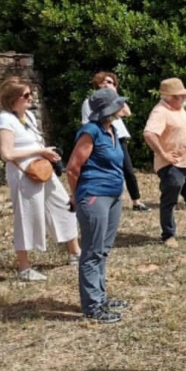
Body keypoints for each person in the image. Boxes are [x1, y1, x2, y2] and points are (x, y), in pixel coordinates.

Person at [0, 77, 81, 281]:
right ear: (12, 99)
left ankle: (75, 251)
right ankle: (24, 268)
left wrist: (46, 154)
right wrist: (40, 150)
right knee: (27, 217)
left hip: (42, 169)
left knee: (63, 204)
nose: (31, 97)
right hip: (24, 174)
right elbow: (7, 154)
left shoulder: (29, 117)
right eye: (26, 95)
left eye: (31, 93)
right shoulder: (4, 120)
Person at [67, 88, 128, 324]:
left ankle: (101, 297)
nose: (122, 107)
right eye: (117, 104)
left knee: (103, 248)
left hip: (113, 196)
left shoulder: (111, 130)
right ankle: (92, 305)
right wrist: (76, 196)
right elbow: (73, 168)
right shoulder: (90, 132)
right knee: (92, 251)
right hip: (94, 196)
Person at [143, 78, 186, 248]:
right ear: (170, 97)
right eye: (180, 96)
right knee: (169, 201)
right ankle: (168, 235)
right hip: (172, 166)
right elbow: (149, 134)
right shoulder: (160, 112)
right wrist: (163, 154)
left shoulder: (179, 110)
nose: (184, 99)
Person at [81, 71, 151, 212]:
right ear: (98, 83)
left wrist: (116, 95)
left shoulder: (117, 100)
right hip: (101, 137)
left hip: (119, 136)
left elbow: (127, 113)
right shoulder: (89, 102)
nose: (107, 84)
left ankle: (136, 201)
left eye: (111, 82)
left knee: (128, 169)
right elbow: (86, 123)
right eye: (105, 82)